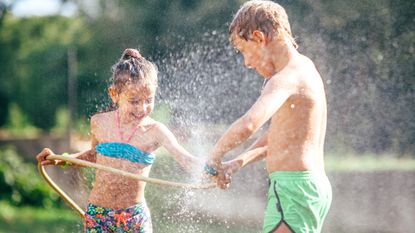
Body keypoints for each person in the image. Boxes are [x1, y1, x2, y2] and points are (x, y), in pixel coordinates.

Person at [37, 48, 204, 233]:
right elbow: (94, 155)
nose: (143, 108)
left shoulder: (156, 131)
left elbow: (186, 158)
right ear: (114, 94)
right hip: (99, 215)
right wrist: (63, 159)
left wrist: (212, 169)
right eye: (134, 101)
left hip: (134, 218)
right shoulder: (99, 122)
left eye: (149, 100)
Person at [204, 1, 332, 232]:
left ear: (259, 38)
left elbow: (249, 123)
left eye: (244, 51)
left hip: (293, 189)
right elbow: (277, 137)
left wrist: (214, 156)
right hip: (306, 187)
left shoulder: (285, 79)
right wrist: (236, 163)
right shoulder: (306, 68)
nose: (247, 62)